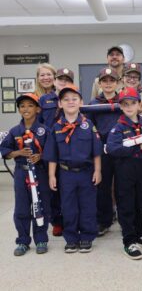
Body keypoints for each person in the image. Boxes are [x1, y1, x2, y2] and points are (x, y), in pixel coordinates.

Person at [106, 87, 142, 260]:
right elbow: (112, 149)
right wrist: (137, 147)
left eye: (133, 103)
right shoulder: (118, 127)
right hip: (125, 170)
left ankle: (140, 234)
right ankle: (129, 241)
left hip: (141, 168)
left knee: (141, 202)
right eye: (125, 104)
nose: (129, 106)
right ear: (121, 106)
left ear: (139, 104)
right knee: (126, 205)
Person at [43, 84, 102, 253]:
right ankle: (70, 238)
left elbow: (96, 151)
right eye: (66, 99)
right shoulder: (56, 127)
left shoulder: (88, 125)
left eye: (74, 99)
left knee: (88, 205)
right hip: (65, 174)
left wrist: (98, 171)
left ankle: (86, 237)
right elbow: (52, 154)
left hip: (86, 173)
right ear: (60, 104)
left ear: (81, 102)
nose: (70, 102)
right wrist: (51, 175)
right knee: (68, 207)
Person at [0, 93, 51, 256]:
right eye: (22, 106)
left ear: (37, 109)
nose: (26, 109)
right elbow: (4, 150)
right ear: (19, 110)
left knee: (41, 205)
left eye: (30, 105)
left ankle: (41, 238)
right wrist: (18, 152)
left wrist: (41, 156)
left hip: (40, 173)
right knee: (22, 207)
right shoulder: (14, 131)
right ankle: (23, 240)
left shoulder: (44, 130)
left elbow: (53, 151)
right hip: (22, 174)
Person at [39, 67, 75, 237]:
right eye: (60, 78)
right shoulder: (44, 100)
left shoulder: (75, 100)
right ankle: (57, 222)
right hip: (50, 149)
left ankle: (72, 220)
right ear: (55, 80)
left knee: (70, 187)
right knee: (52, 188)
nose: (63, 82)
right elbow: (36, 124)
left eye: (67, 79)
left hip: (70, 150)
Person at [87, 67, 122, 237]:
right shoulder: (93, 103)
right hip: (102, 150)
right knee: (103, 187)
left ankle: (125, 220)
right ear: (99, 83)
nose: (108, 84)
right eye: (105, 81)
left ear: (117, 83)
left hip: (122, 149)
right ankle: (104, 220)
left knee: (123, 187)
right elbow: (90, 127)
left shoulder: (124, 101)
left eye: (112, 80)